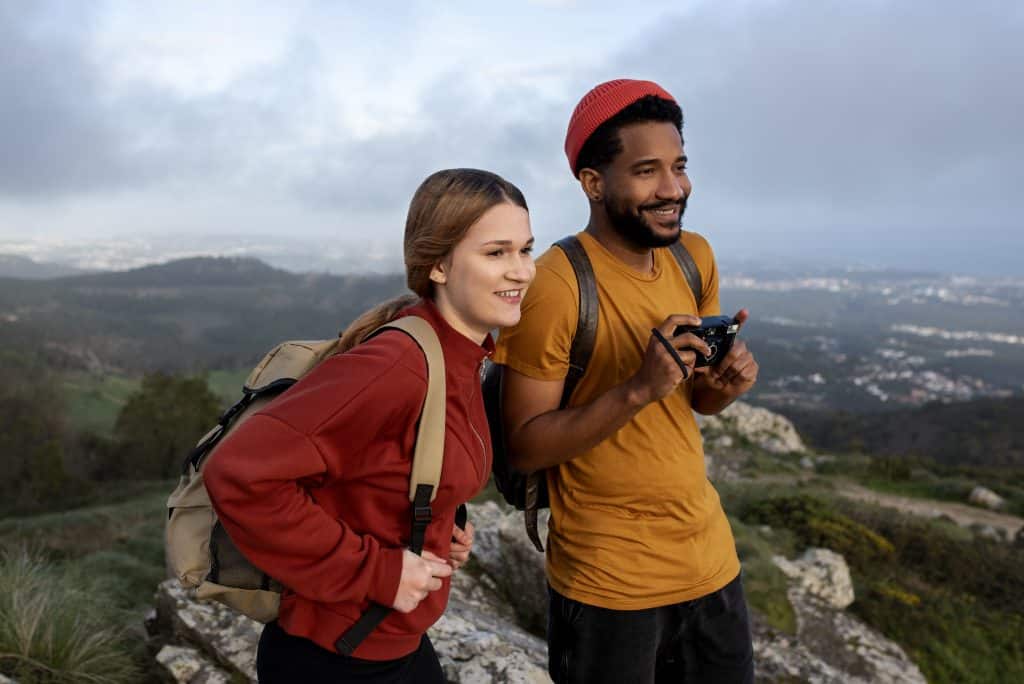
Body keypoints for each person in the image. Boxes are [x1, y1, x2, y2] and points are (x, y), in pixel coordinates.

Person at [204, 168, 536, 683]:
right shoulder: (396, 366)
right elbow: (240, 473)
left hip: (390, 647)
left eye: (525, 250)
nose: (521, 271)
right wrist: (378, 571)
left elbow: (388, 468)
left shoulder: (463, 356)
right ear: (439, 265)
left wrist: (447, 524)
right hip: (335, 661)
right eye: (496, 253)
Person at [493, 79, 758, 683]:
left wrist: (726, 383)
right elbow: (525, 444)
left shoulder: (695, 256)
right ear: (593, 183)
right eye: (646, 171)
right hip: (608, 583)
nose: (673, 189)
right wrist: (637, 387)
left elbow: (699, 400)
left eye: (679, 166)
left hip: (710, 561)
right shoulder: (557, 285)